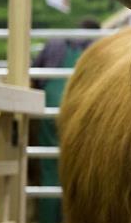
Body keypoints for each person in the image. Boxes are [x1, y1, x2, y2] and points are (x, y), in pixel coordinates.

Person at [32, 18, 100, 223]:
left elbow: (34, 75)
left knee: (50, 169)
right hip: (83, 108)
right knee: (80, 171)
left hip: (50, 105)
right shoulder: (98, 44)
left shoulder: (55, 43)